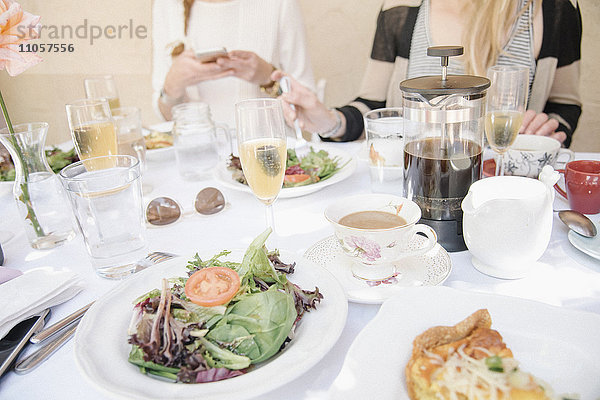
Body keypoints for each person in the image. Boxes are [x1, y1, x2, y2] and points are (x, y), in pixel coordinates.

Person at [275, 0, 582, 147]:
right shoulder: (399, 11)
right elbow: (372, 107)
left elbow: (566, 106)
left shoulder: (555, 11)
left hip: (505, 185)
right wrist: (330, 121)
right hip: (418, 183)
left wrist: (548, 129)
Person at [152, 0, 315, 126]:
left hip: (269, 155)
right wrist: (173, 86)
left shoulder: (279, 3)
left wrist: (268, 78)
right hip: (197, 159)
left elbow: (309, 110)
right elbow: (166, 118)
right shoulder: (168, 5)